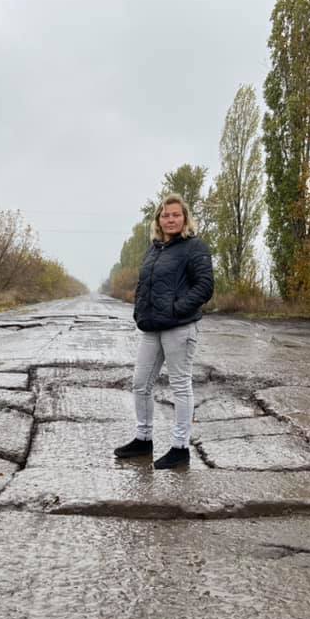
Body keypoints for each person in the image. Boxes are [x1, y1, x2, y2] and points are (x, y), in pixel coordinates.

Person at [113, 193, 214, 469]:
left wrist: (177, 309)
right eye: (165, 215)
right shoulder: (154, 249)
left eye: (176, 215)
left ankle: (180, 447)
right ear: (158, 220)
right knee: (140, 383)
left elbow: (204, 286)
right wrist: (139, 310)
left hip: (179, 328)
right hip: (151, 327)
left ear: (185, 218)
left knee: (180, 385)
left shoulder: (195, 247)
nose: (170, 219)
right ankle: (143, 439)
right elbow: (143, 285)